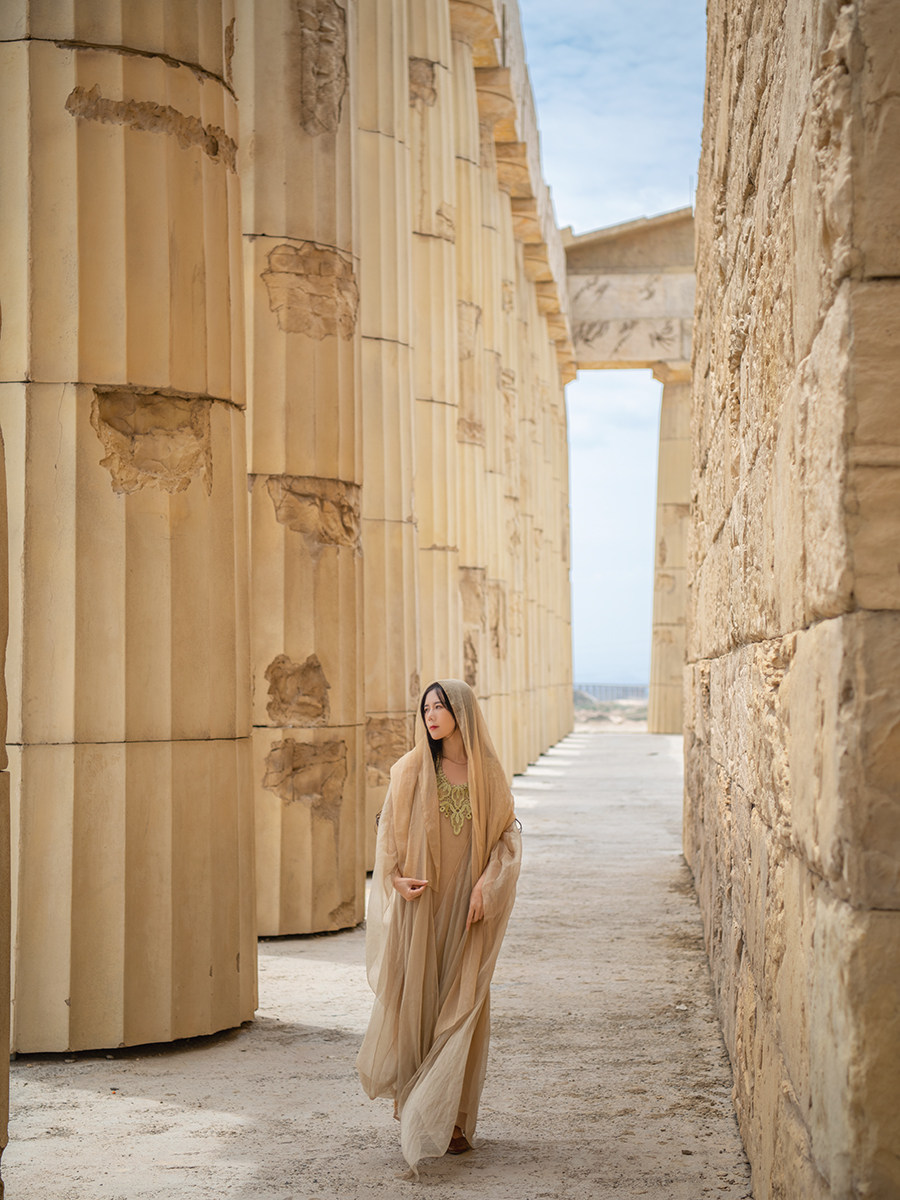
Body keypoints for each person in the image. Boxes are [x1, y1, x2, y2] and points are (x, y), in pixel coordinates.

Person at [356, 679, 522, 1174]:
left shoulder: (488, 773)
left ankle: (451, 1117)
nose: (430, 715)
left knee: (461, 1005)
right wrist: (393, 879)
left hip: (466, 911)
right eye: (425, 707)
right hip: (422, 907)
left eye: (440, 706)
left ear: (461, 712)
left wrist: (486, 887)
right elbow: (387, 830)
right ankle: (416, 1103)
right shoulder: (410, 768)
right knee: (420, 1002)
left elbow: (507, 840)